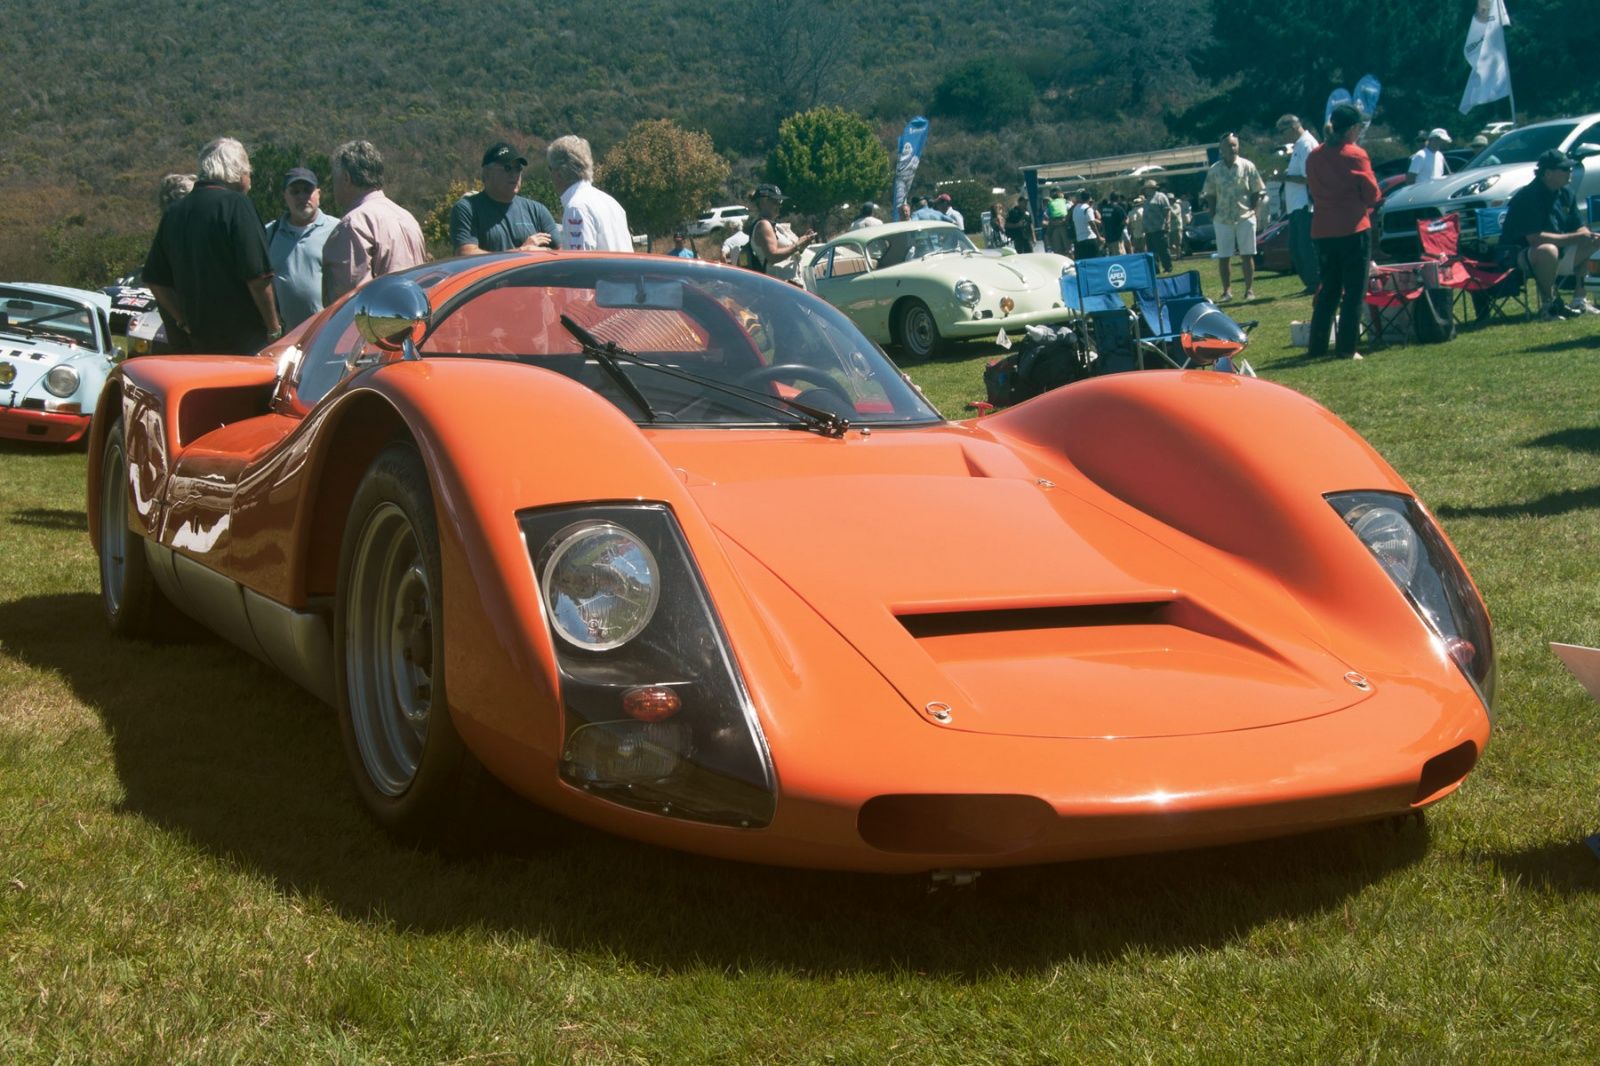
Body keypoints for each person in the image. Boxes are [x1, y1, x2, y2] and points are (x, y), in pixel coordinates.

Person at [142, 137, 280, 354]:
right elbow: (258, 277)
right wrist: (274, 329)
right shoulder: (236, 205)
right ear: (237, 171)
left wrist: (182, 320)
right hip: (243, 342)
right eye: (248, 171)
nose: (249, 178)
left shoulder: (175, 212)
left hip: (196, 342)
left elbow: (155, 280)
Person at [1305, 103, 1381, 362]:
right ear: (1351, 129)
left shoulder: (1314, 156)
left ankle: (1317, 346)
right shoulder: (1355, 155)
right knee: (1354, 291)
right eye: (1359, 127)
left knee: (1328, 290)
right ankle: (1347, 348)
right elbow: (1371, 195)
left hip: (1323, 230)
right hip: (1352, 228)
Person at [322, 140, 427, 304]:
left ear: (346, 178)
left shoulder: (353, 224)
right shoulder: (407, 217)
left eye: (334, 179)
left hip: (379, 318)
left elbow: (350, 301)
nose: (333, 186)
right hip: (417, 313)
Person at [1499, 149, 1600, 319]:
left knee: (1593, 241)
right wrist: (1577, 237)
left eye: (1570, 168)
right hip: (1519, 255)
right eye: (1565, 169)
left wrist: (1588, 235)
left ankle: (1579, 300)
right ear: (1547, 173)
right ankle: (1549, 306)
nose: (1570, 172)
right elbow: (1535, 239)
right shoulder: (1528, 196)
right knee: (1547, 250)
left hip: (1557, 251)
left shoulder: (1566, 193)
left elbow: (1579, 227)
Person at [263, 167, 339, 331]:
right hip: (286, 335)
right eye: (295, 192)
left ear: (318, 194)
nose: (302, 197)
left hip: (327, 332)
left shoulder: (337, 229)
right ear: (285, 196)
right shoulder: (270, 233)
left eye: (307, 190)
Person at [450, 141, 559, 255]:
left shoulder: (537, 210)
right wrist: (520, 252)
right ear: (487, 173)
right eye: (507, 168)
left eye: (518, 169)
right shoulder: (467, 209)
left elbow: (559, 252)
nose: (514, 174)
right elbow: (466, 254)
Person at [1201, 133, 1267, 301]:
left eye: (1234, 145)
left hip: (1245, 216)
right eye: (1228, 145)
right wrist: (1213, 213)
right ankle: (1227, 291)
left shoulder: (1247, 166)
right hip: (1222, 219)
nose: (1232, 148)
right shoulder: (1215, 169)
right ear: (1221, 149)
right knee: (1224, 256)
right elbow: (1209, 193)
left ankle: (1249, 290)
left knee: (1247, 254)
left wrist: (1254, 210)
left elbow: (1257, 190)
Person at [547, 135, 633, 252]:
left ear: (559, 173)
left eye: (550, 169)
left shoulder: (576, 208)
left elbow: (579, 260)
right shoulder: (611, 202)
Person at [1276, 114, 1321, 296]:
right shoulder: (1298, 146)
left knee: (1305, 246)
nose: (1281, 136)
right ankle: (1311, 282)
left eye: (1282, 131)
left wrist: (1284, 177)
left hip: (1305, 204)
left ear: (1293, 127)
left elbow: (1308, 178)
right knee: (1296, 247)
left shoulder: (1306, 144)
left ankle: (1316, 283)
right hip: (1295, 206)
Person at [747, 183, 816, 279]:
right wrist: (798, 245)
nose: (779, 205)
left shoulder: (773, 225)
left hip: (789, 283)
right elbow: (773, 256)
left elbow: (788, 254)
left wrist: (802, 245)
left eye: (780, 202)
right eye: (775, 201)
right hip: (778, 284)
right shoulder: (763, 225)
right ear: (763, 203)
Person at [1141, 179, 1174, 272]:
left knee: (1163, 249)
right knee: (1152, 251)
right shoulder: (1146, 199)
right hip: (1149, 230)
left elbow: (1167, 210)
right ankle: (1155, 269)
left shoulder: (1161, 197)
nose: (1145, 190)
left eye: (1146, 188)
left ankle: (1168, 267)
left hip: (1159, 228)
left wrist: (1167, 222)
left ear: (1152, 188)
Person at [1070, 189, 1103, 261]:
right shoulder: (1088, 209)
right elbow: (1092, 223)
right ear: (1089, 198)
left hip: (1079, 240)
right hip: (1090, 239)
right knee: (1095, 261)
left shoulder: (1075, 209)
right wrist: (1099, 237)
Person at [1043, 187, 1072, 255]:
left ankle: (1049, 248)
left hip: (1054, 225)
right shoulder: (1065, 202)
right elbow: (1071, 210)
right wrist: (1065, 220)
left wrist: (1051, 220)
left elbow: (1046, 214)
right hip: (1064, 224)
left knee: (1058, 250)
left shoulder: (1051, 203)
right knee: (1068, 249)